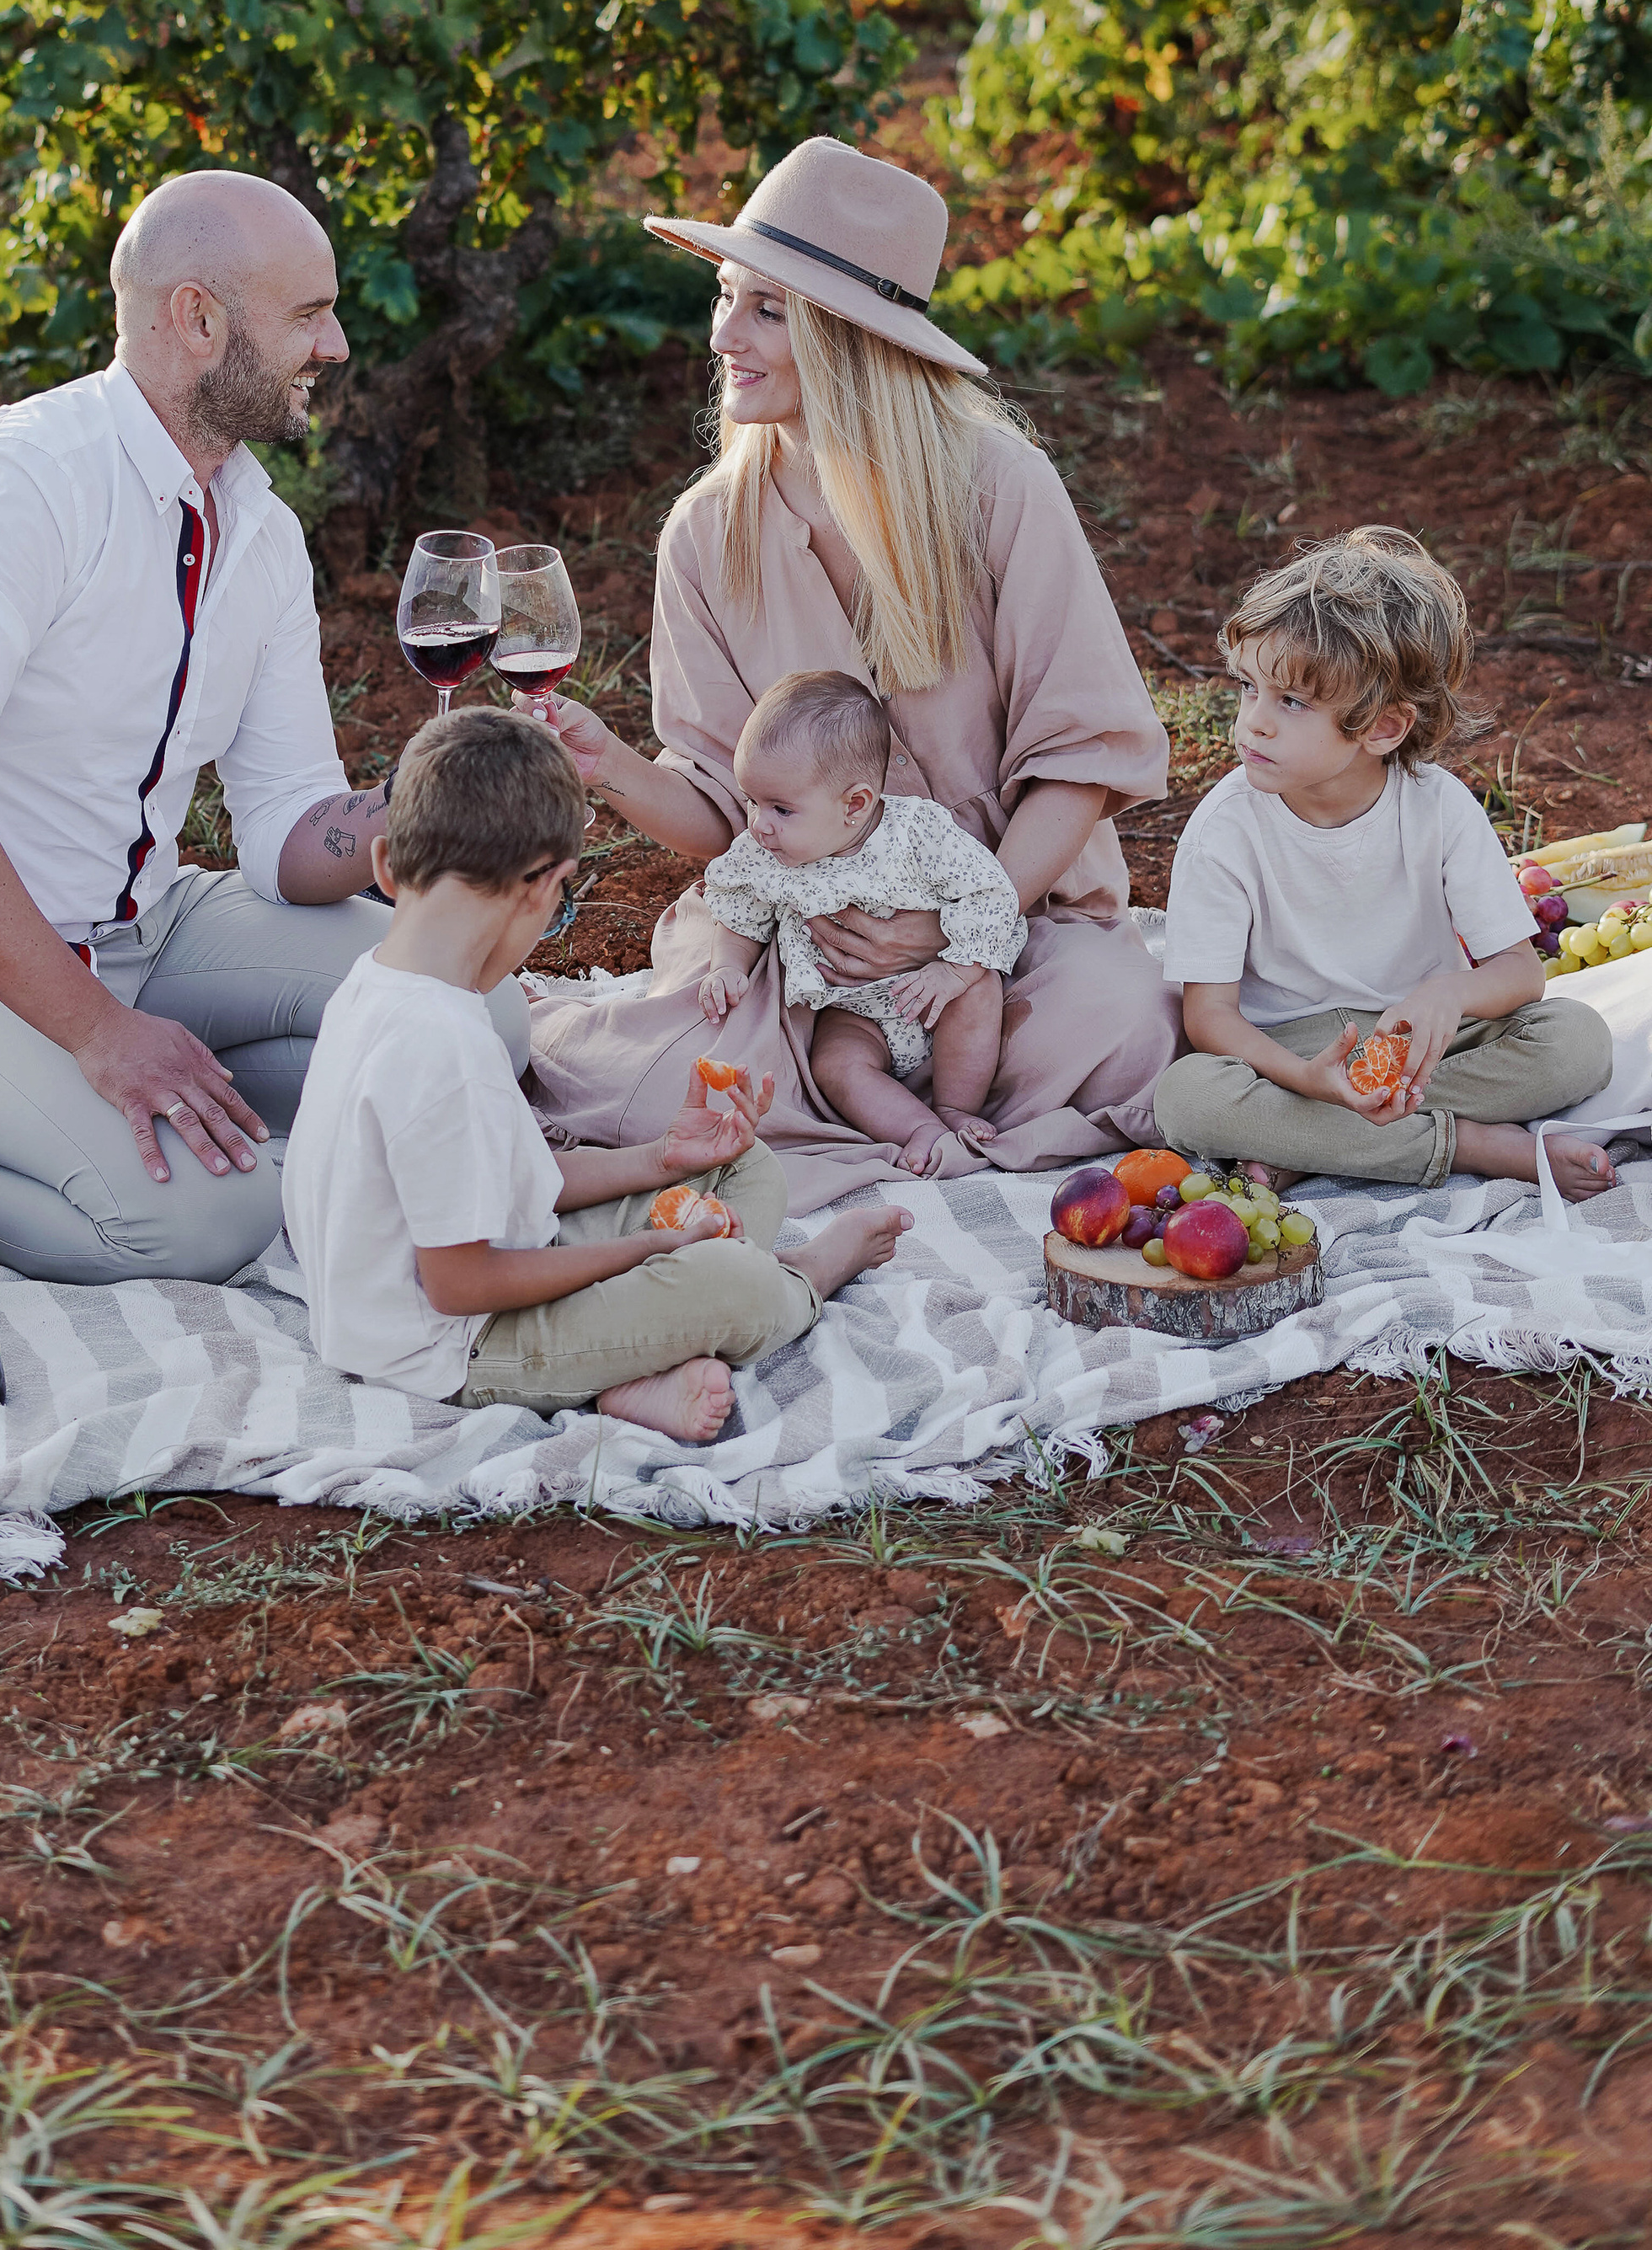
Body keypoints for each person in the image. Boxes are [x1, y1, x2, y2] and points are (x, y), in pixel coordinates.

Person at [0, 168, 527, 1286]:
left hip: (145, 923)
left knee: (475, 1007)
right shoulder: (15, 485)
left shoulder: (263, 535)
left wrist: (417, 811)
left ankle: (113, 1119)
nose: (333, 347)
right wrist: (98, 1032)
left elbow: (286, 832)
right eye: (308, 315)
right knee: (210, 1221)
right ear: (199, 320)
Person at [520, 136, 1181, 1205]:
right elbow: (719, 809)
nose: (723, 334)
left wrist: (959, 937)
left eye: (767, 310)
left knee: (1123, 1028)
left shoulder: (1000, 488)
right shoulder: (705, 532)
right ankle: (893, 1116)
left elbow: (1081, 759)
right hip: (800, 938)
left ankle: (879, 1116)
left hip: (1011, 918)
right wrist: (604, 765)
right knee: (646, 1088)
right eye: (727, 297)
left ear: (854, 340)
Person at [282, 708, 911, 1444]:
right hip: (449, 1351)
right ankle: (799, 1279)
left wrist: (661, 1160)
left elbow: (514, 1178)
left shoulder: (382, 983)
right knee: (731, 1284)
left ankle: (635, 1370)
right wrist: (647, 1250)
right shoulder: (442, 1046)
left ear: (386, 865)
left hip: (486, 1276)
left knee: (745, 1169)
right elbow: (460, 1287)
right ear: (546, 889)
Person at [1154, 527, 1615, 1196]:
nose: (1253, 721)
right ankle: (1470, 1146)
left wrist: (1446, 993)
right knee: (1187, 1096)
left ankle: (1311, 1139)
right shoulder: (1224, 830)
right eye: (1248, 687)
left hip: (1424, 1039)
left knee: (1578, 1041)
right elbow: (1210, 1019)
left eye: (1291, 702)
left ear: (1383, 728)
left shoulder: (1440, 807)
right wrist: (1310, 1079)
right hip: (1293, 1048)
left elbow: (1520, 972)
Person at [701, 671, 1026, 1165]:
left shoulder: (917, 834)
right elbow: (739, 913)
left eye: (781, 809)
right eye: (752, 801)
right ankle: (920, 1128)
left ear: (854, 804)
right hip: (853, 1007)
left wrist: (954, 970)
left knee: (980, 991)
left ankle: (956, 1107)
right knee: (835, 1065)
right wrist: (726, 965)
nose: (759, 823)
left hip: (935, 990)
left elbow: (988, 891)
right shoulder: (763, 854)